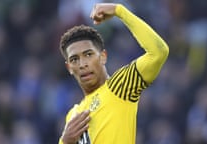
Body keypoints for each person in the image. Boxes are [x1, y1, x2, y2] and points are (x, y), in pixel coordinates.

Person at [58, 3, 169, 144]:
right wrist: (65, 141)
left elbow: (158, 52)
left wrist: (120, 12)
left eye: (88, 54)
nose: (82, 64)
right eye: (75, 59)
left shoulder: (119, 88)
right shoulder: (73, 116)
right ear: (69, 67)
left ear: (103, 56)